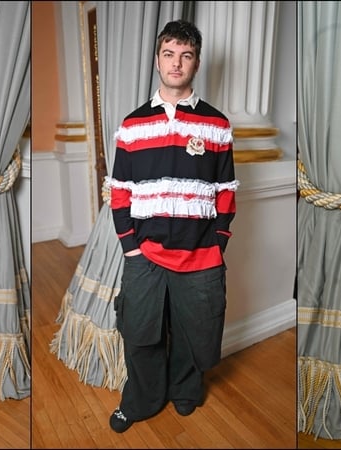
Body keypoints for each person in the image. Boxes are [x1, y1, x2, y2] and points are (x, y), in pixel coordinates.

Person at [105, 19, 238, 433]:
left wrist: (217, 242)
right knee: (140, 331)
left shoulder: (217, 124)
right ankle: (142, 399)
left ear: (196, 63)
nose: (176, 63)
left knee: (193, 330)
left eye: (186, 55)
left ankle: (184, 391)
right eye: (169, 54)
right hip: (144, 253)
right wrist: (128, 244)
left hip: (200, 254)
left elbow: (226, 191)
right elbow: (120, 189)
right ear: (157, 60)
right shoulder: (132, 124)